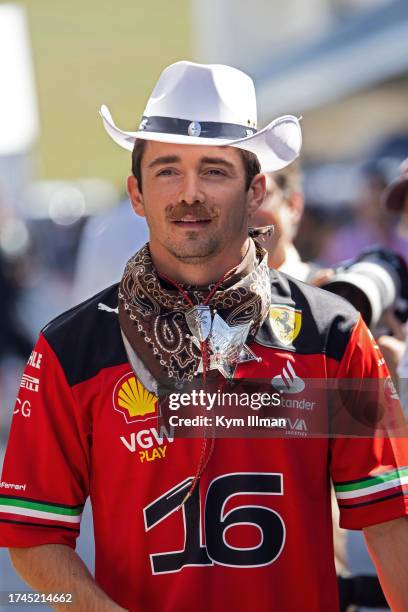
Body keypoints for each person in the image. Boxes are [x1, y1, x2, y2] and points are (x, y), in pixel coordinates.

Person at [0, 61, 407, 612]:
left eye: (214, 171)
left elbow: (390, 518)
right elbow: (30, 539)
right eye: (168, 170)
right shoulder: (71, 351)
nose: (190, 193)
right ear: (137, 193)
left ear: (255, 188)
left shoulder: (331, 333)